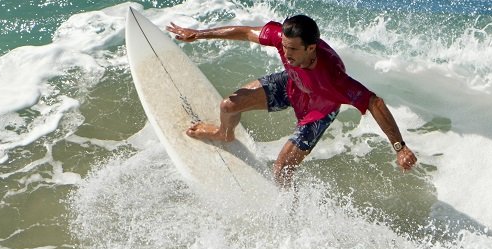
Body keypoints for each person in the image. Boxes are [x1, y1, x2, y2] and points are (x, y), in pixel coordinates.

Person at [166, 14, 417, 187]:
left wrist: (400, 147)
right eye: (284, 47)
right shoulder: (285, 39)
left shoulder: (334, 78)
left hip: (319, 108)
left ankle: (287, 212)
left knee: (282, 169)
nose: (286, 53)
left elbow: (375, 103)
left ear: (311, 48)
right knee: (228, 106)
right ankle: (224, 133)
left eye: (293, 50)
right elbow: (245, 32)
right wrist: (198, 34)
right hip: (292, 84)